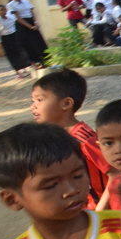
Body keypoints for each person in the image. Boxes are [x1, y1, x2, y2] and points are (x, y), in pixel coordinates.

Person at [29, 69, 112, 212]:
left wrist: (99, 213)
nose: (33, 106)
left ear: (66, 103)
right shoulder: (59, 138)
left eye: (40, 100)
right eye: (33, 101)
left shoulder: (85, 139)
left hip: (103, 213)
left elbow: (117, 175)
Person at [7, 0, 47, 67]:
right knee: (28, 44)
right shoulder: (11, 5)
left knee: (38, 42)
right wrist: (30, 27)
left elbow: (32, 12)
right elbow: (18, 18)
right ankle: (34, 62)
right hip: (22, 25)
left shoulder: (26, 2)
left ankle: (45, 60)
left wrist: (35, 22)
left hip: (31, 21)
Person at [0, 5, 29, 78]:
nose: (3, 11)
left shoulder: (11, 17)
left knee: (20, 52)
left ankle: (24, 68)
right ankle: (17, 71)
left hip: (14, 36)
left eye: (4, 10)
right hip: (6, 38)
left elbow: (16, 25)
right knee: (11, 55)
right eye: (0, 10)